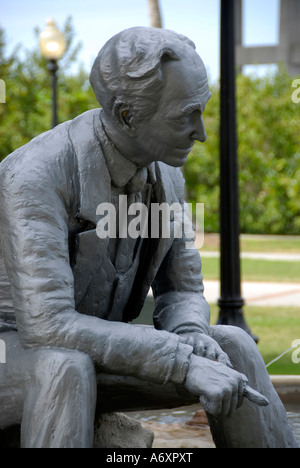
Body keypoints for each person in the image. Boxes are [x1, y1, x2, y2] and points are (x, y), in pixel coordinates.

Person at [0, 27, 297, 448]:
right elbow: (49, 326)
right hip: (14, 354)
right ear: (126, 115)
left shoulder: (168, 175)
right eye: (185, 116)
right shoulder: (35, 176)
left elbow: (182, 289)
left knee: (232, 345)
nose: (201, 133)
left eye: (202, 111)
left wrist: (190, 330)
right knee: (62, 368)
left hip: (93, 353)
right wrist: (178, 361)